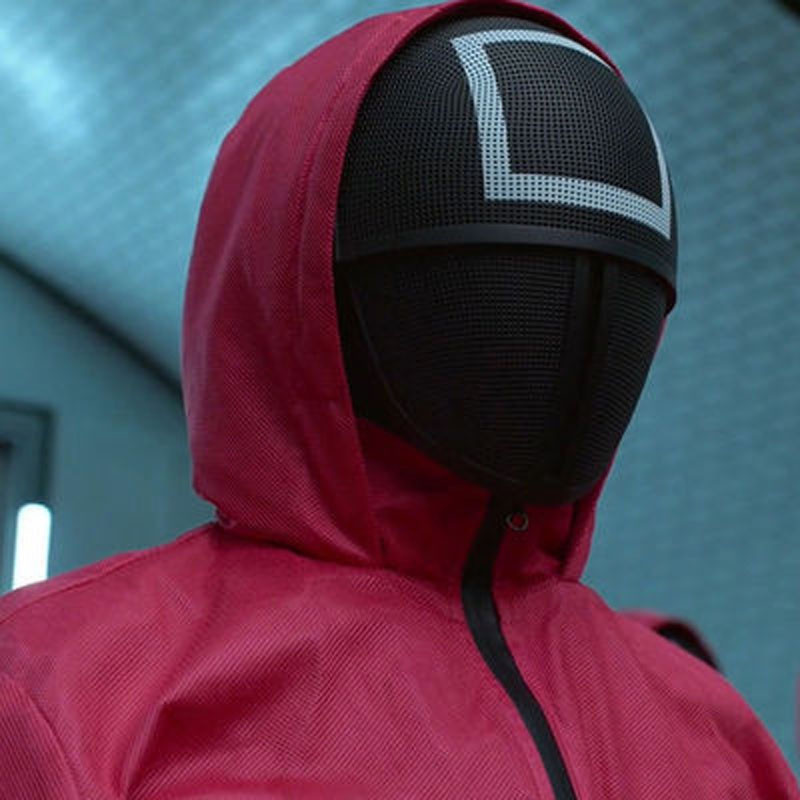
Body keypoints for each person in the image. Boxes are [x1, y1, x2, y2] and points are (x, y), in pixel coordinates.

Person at [0, 0, 797, 797]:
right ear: (299, 290)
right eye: (497, 283)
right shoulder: (64, 689)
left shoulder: (708, 725)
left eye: (609, 289)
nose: (564, 335)